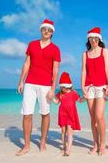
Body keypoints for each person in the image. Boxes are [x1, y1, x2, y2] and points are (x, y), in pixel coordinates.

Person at [16, 19, 61, 156]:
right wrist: (21, 82)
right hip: (30, 83)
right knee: (27, 114)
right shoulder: (32, 45)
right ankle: (27, 145)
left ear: (52, 32)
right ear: (41, 30)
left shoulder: (55, 49)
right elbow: (26, 64)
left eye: (49, 30)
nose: (46, 31)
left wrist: (53, 88)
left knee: (44, 113)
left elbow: (55, 70)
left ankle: (42, 141)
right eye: (44, 29)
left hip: (46, 85)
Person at [81, 27, 108, 155]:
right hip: (89, 87)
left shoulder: (104, 51)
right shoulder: (85, 54)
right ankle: (96, 144)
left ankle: (103, 144)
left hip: (101, 86)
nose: (93, 40)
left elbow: (107, 69)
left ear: (99, 39)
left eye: (95, 38)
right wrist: (82, 86)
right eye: (91, 38)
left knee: (99, 116)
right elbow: (83, 71)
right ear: (88, 39)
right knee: (93, 118)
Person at [53, 71, 84, 156]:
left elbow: (80, 101)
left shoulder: (74, 93)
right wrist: (52, 96)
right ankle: (64, 146)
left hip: (71, 114)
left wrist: (85, 97)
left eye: (63, 87)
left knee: (70, 131)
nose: (62, 88)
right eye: (61, 87)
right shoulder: (60, 93)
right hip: (62, 114)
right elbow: (56, 102)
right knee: (63, 131)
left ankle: (68, 149)